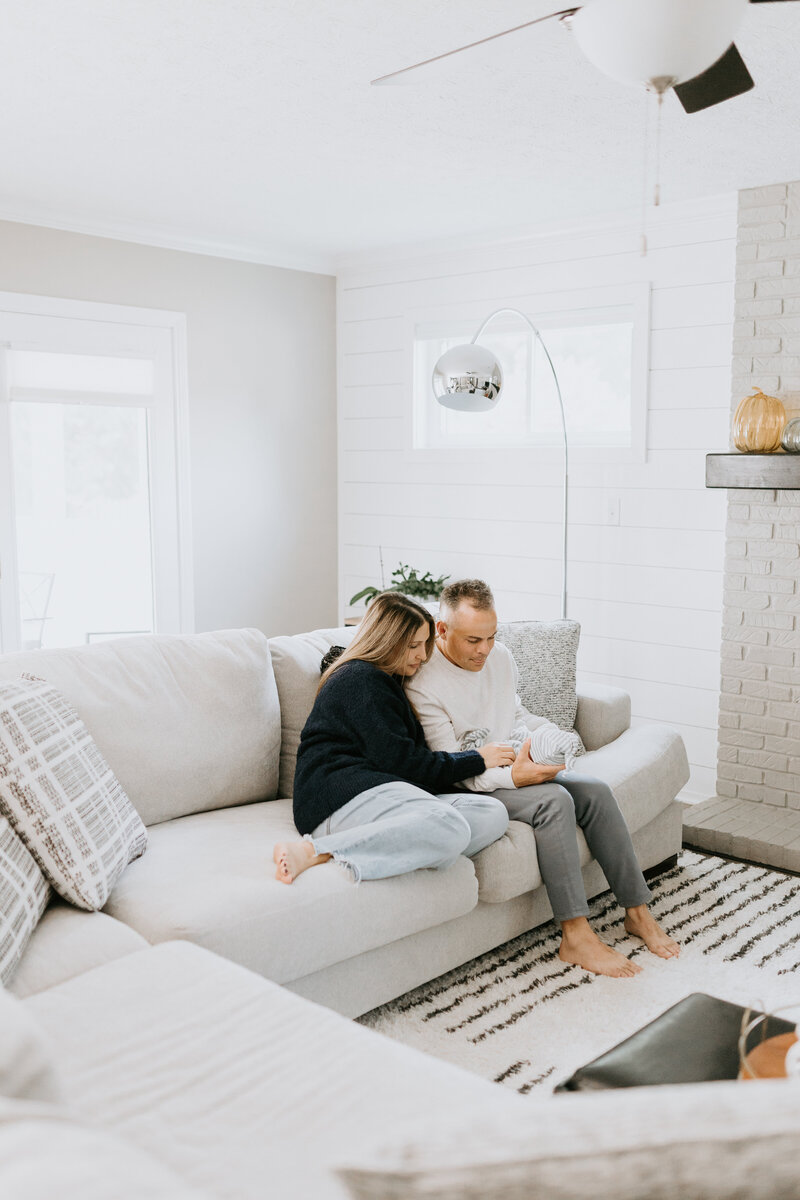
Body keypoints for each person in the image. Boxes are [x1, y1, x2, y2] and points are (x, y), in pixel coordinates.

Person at [406, 578, 680, 979]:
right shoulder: (423, 681)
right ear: (442, 630)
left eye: (491, 636)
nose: (484, 649)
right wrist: (514, 778)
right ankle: (576, 935)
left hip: (511, 764)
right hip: (466, 785)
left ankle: (637, 912)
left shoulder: (499, 656)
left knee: (596, 792)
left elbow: (516, 717)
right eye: (472, 640)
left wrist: (555, 737)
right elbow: (451, 768)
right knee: (555, 802)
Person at [273, 591, 511, 885]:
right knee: (451, 827)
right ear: (386, 642)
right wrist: (478, 758)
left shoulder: (387, 681)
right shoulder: (358, 680)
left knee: (492, 813)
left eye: (424, 644)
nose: (422, 656)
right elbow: (407, 764)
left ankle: (409, 849)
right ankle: (315, 851)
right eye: (413, 646)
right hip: (337, 798)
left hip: (381, 792)